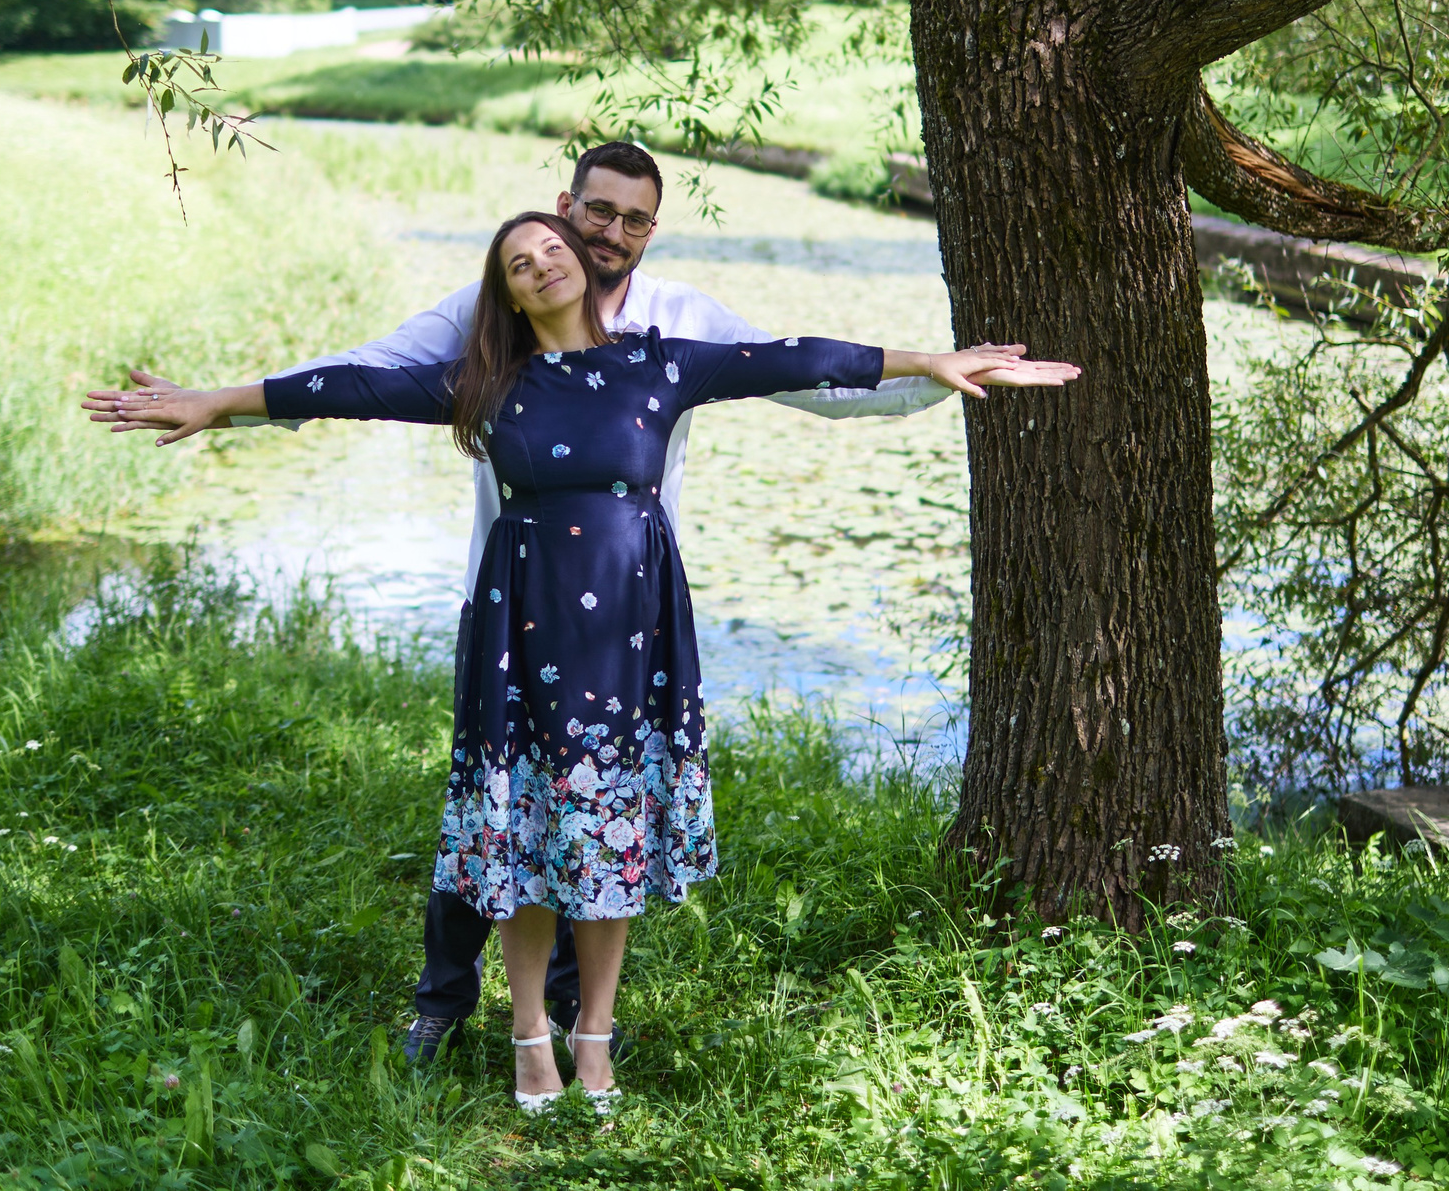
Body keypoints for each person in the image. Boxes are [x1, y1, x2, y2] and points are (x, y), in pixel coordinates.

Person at [89, 209, 1077, 1110]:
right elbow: (349, 386)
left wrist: (931, 359)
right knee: (520, 835)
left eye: (552, 249)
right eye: (520, 264)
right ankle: (527, 1037)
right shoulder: (484, 383)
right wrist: (216, 402)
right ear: (508, 295)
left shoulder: (662, 363)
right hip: (521, 631)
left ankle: (592, 1039)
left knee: (612, 837)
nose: (542, 265)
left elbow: (789, 357)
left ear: (580, 264)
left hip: (633, 634)